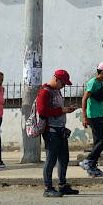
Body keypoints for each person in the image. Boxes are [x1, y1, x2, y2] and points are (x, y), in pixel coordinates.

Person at [37, 69, 79, 197]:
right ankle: (48, 187)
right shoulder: (45, 92)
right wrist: (62, 110)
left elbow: (57, 109)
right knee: (51, 159)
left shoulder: (57, 92)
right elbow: (42, 111)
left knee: (64, 158)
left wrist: (66, 109)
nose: (64, 86)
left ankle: (62, 184)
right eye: (63, 83)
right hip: (51, 130)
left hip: (60, 129)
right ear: (56, 79)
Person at [80, 62, 103, 177]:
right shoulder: (93, 83)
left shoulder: (100, 83)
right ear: (102, 73)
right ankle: (88, 161)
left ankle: (93, 167)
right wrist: (85, 117)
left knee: (97, 142)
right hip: (93, 116)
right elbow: (84, 99)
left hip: (98, 116)